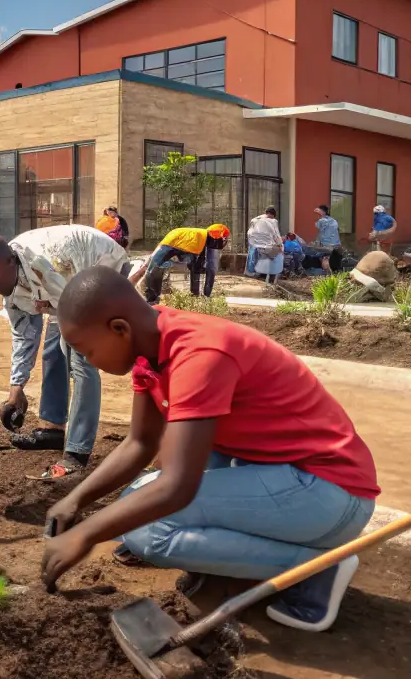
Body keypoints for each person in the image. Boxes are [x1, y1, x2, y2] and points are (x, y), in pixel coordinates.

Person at [43, 266, 379, 633]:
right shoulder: (152, 346)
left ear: (119, 329)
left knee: (148, 533)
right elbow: (140, 443)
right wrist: (75, 501)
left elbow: (177, 487)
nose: (90, 362)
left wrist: (85, 534)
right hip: (283, 473)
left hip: (329, 494)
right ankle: (228, 565)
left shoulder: (200, 354)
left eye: (88, 351)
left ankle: (316, 571)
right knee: (138, 499)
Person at [0, 225, 130, 480]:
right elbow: (24, 333)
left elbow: (73, 311)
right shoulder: (11, 278)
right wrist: (15, 388)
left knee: (81, 361)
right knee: (53, 352)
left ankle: (77, 452)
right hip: (65, 291)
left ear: (10, 263)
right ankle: (53, 430)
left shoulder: (47, 264)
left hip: (102, 271)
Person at [133, 224, 230, 305]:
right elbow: (195, 263)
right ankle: (151, 298)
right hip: (171, 243)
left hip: (176, 239)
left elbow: (196, 263)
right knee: (154, 268)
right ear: (216, 238)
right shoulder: (201, 238)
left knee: (156, 267)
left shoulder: (204, 238)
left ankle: (193, 295)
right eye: (223, 240)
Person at [246, 207, 284, 286]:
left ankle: (254, 274)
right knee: (277, 254)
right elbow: (276, 235)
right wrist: (280, 246)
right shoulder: (273, 221)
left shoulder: (255, 220)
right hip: (267, 246)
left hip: (254, 245)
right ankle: (271, 276)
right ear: (273, 215)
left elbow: (250, 233)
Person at [309, 205, 344, 274]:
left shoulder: (322, 220)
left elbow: (320, 232)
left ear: (323, 212)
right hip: (338, 245)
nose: (316, 214)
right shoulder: (334, 220)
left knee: (323, 258)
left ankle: (329, 276)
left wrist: (316, 243)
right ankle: (337, 275)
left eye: (318, 212)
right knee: (336, 264)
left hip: (327, 246)